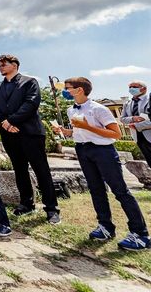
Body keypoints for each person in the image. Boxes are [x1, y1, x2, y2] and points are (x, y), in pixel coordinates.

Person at [54, 77, 150, 251]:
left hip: (103, 151)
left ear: (79, 90)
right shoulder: (70, 110)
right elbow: (78, 131)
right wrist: (66, 132)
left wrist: (87, 126)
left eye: (68, 88)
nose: (65, 92)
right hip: (83, 150)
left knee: (120, 191)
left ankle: (140, 233)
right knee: (96, 189)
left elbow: (115, 134)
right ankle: (105, 226)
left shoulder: (99, 109)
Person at [0, 54, 60, 224]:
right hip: (9, 133)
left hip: (30, 132)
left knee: (41, 169)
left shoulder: (29, 82)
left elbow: (31, 104)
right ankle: (26, 203)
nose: (1, 66)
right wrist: (5, 124)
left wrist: (10, 121)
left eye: (4, 64)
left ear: (15, 65)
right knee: (19, 169)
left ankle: (51, 209)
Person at [120, 81, 151, 167]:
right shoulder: (127, 103)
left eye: (134, 86)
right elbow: (122, 119)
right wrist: (133, 118)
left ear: (144, 88)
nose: (131, 89)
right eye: (130, 87)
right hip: (138, 137)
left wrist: (136, 125)